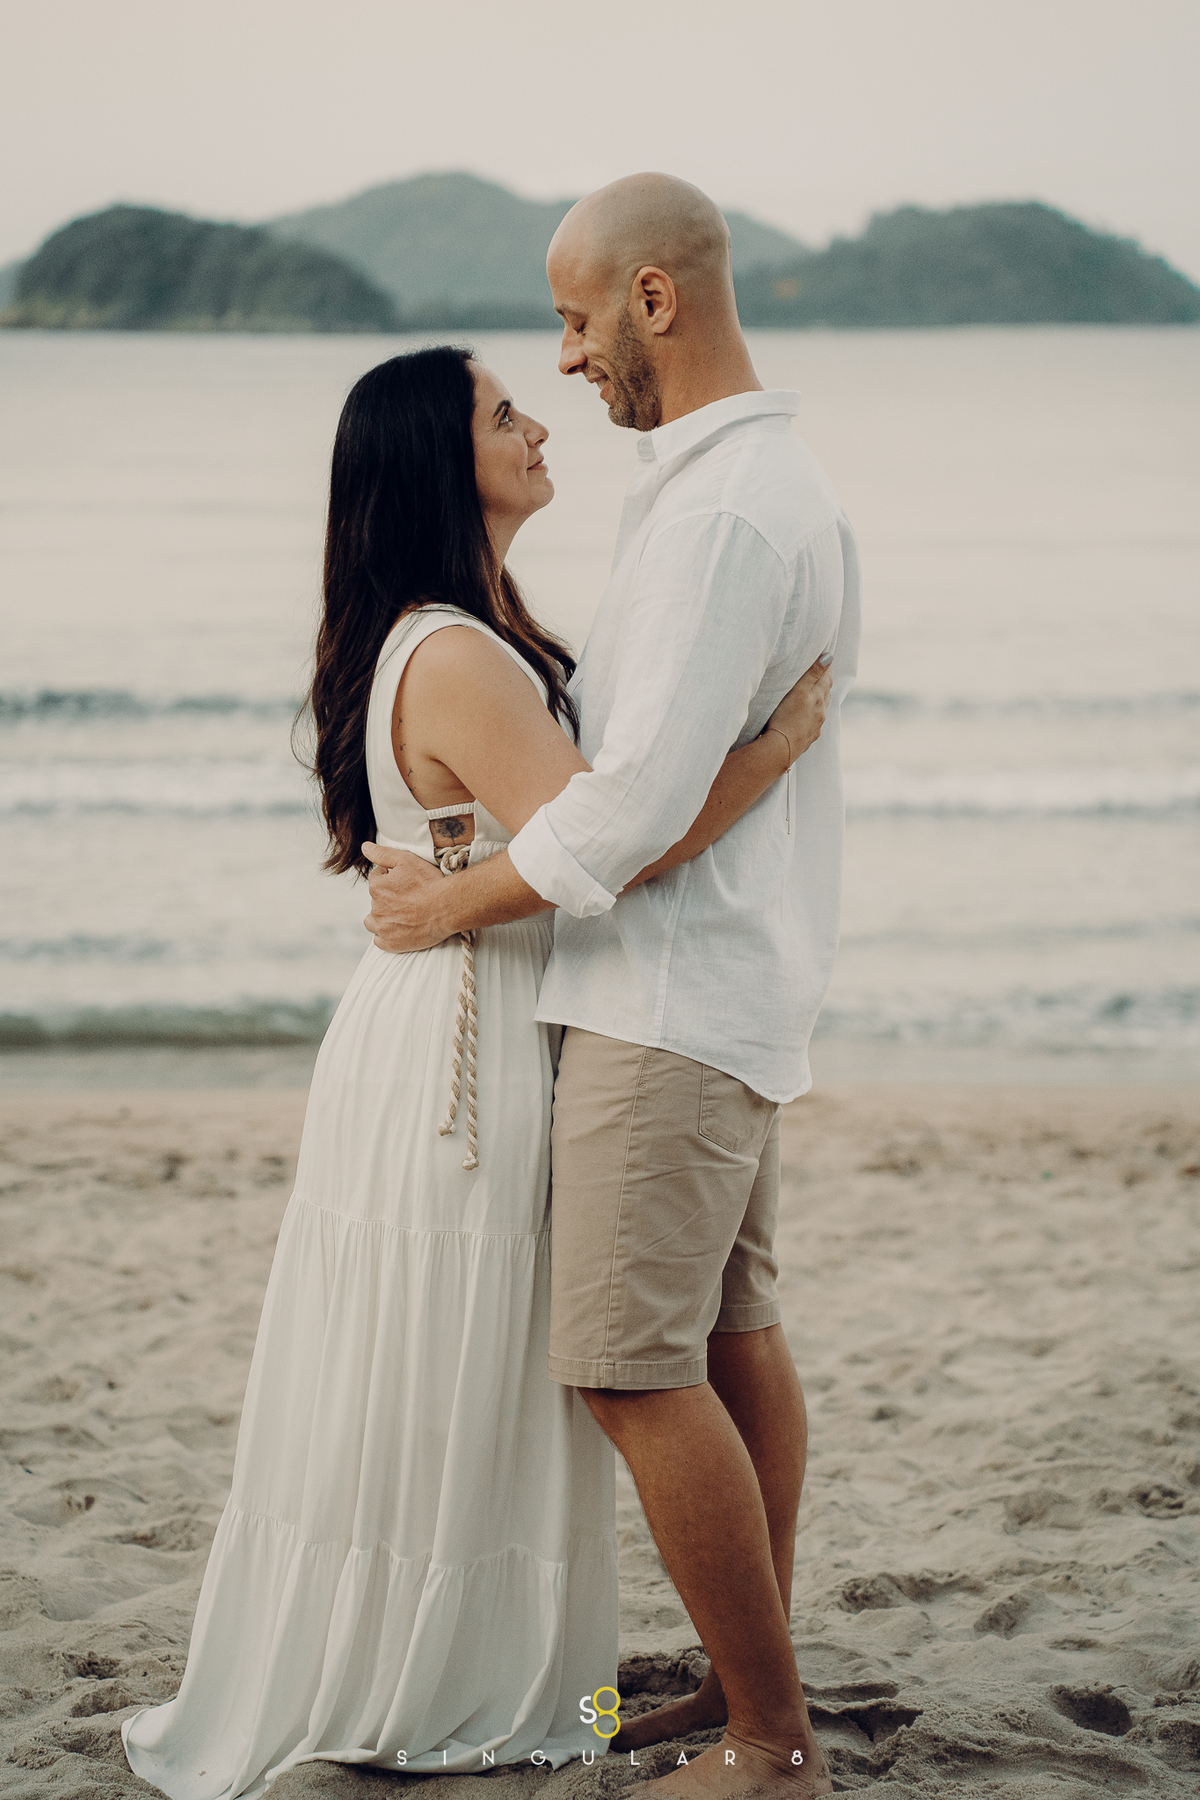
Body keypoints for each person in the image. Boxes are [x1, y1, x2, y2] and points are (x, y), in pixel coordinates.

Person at [121, 342, 832, 1800]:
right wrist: (772, 756)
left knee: (478, 1365)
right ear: (442, 467)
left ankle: (571, 1674)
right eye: (504, 414)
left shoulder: (471, 630)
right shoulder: (454, 651)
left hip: (472, 1008)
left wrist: (455, 886)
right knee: (464, 1364)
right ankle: (471, 1678)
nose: (538, 423)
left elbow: (557, 836)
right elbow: (613, 849)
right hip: (469, 1038)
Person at [363, 174, 862, 1800]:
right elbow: (667, 776)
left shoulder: (720, 515)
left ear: (655, 299)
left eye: (576, 322)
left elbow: (629, 813)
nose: (567, 360)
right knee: (729, 1336)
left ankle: (767, 1741)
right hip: (725, 985)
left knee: (625, 1365)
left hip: (666, 1002)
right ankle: (740, 1689)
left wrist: (449, 905)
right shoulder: (740, 487)